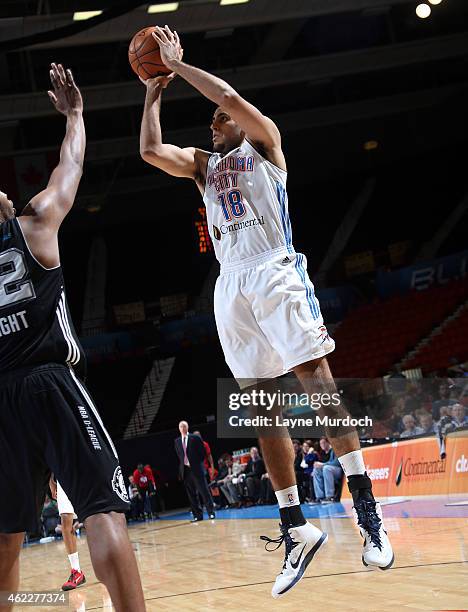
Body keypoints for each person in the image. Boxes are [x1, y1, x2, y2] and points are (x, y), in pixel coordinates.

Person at [140, 26, 393, 598]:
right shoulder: (205, 166)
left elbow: (227, 100)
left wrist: (178, 67)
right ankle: (293, 526)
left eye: (219, 122)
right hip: (231, 287)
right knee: (261, 405)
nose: (214, 123)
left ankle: (367, 510)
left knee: (318, 384)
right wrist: (152, 91)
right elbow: (150, 151)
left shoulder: (265, 145)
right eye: (211, 123)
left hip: (275, 270)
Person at [0, 64, 145, 612]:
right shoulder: (35, 225)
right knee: (103, 510)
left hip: (1, 398)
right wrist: (76, 116)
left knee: (5, 538)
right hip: (49, 382)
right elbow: (72, 164)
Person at [49, 475, 86, 591]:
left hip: (86, 473)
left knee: (92, 521)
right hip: (63, 476)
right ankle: (76, 571)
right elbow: (48, 456)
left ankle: (106, 566)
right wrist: (51, 482)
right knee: (65, 522)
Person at [174, 421, 215, 521]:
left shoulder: (195, 438)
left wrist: (195, 463)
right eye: (181, 426)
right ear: (179, 428)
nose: (183, 428)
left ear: (187, 427)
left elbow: (202, 454)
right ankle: (198, 515)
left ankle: (211, 513)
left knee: (204, 491)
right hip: (186, 471)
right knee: (192, 495)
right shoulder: (177, 441)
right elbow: (180, 456)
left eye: (184, 426)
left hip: (196, 469)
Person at [312, 438, 343, 504]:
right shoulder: (324, 452)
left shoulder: (336, 449)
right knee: (316, 470)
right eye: (321, 443)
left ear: (328, 443)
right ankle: (320, 497)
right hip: (330, 470)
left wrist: (322, 464)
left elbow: (337, 463)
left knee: (326, 468)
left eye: (323, 443)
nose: (322, 445)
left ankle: (330, 496)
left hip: (340, 470)